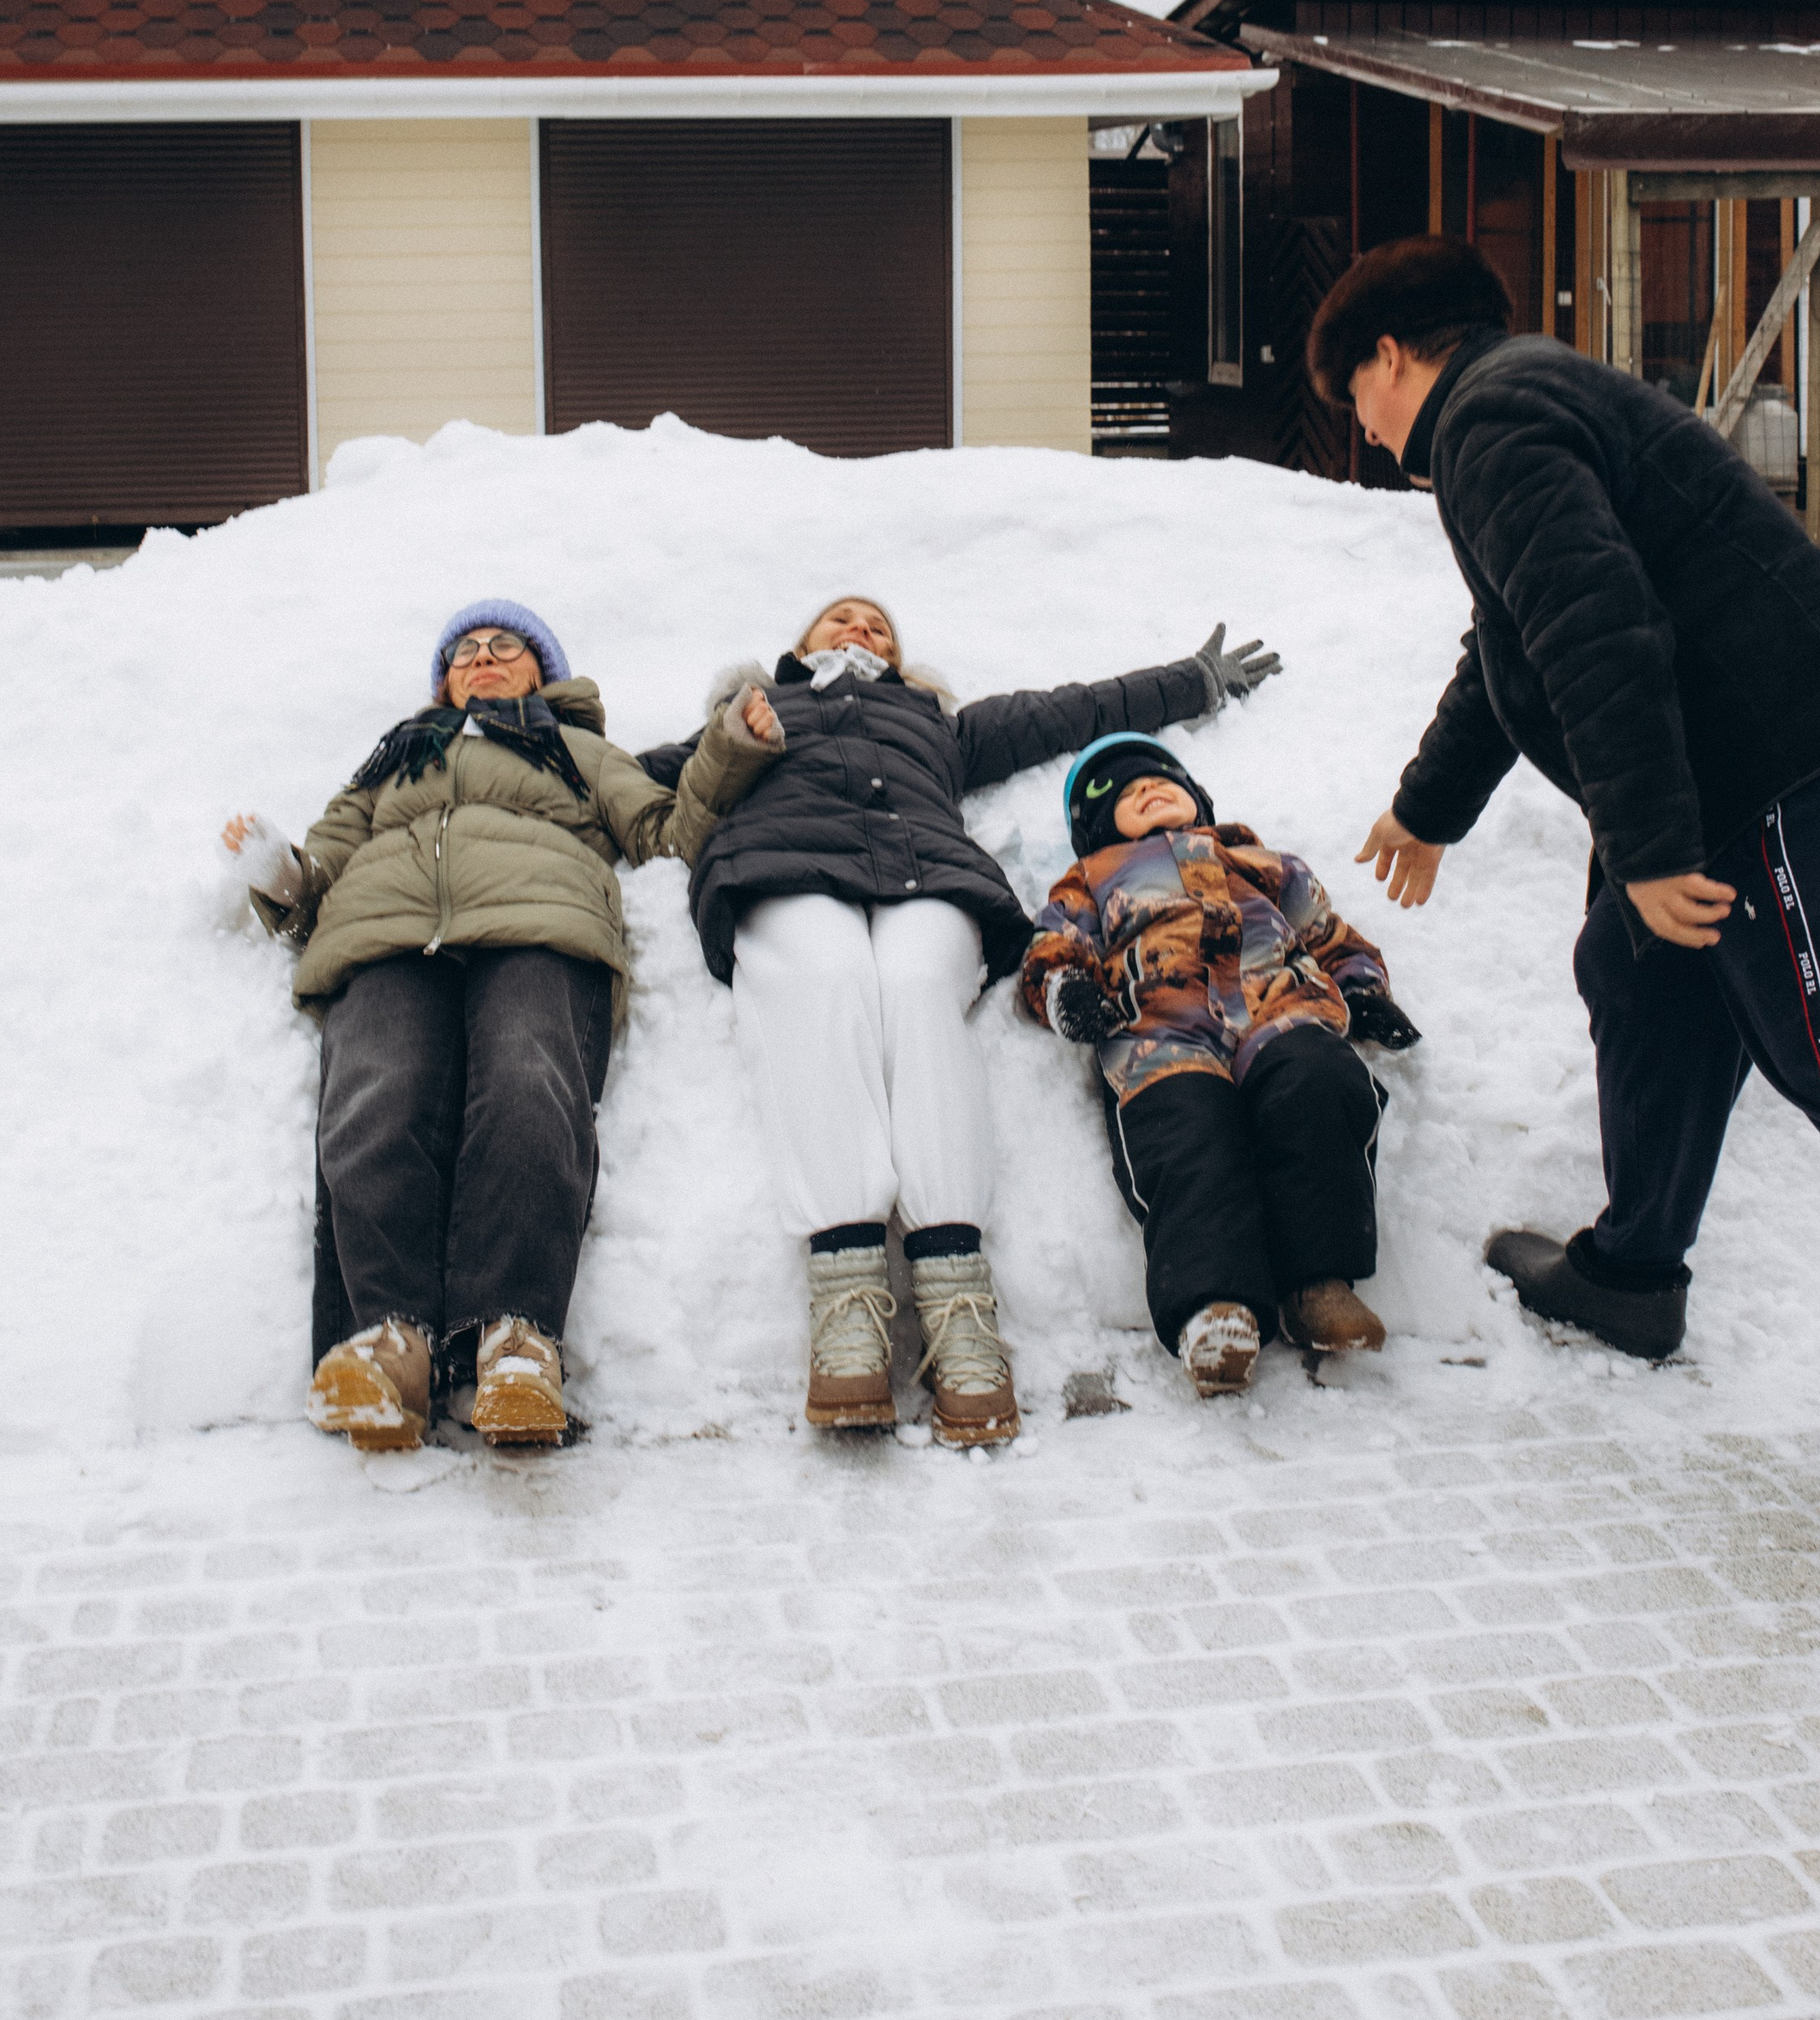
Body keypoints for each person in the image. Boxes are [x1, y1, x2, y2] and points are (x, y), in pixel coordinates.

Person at [1311, 232, 1820, 1543]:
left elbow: (1597, 624)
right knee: (1641, 980)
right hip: (1731, 763)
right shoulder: (1519, 402)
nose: (1364, 427)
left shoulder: (1494, 422)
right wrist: (1430, 803)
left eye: (1355, 395)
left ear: (1391, 356)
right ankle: (1633, 1274)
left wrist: (1650, 848)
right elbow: (1519, 636)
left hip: (1783, 757)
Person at [640, 595, 1280, 1443]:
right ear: (800, 646)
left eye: (879, 629)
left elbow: (1070, 712)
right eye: (842, 621)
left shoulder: (936, 724)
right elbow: (614, 779)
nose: (861, 633)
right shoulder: (753, 713)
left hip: (924, 876)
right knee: (820, 981)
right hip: (778, 868)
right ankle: (846, 1297)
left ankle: (956, 1296)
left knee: (916, 991)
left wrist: (1191, 682)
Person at [225, 597, 779, 1455]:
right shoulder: (392, 758)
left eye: (504, 647)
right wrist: (280, 876)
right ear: (443, 680)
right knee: (375, 1096)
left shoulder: (576, 748)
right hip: (385, 933)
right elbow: (319, 876)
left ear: (540, 672)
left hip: (542, 922)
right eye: (465, 652)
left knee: (527, 1085)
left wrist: (727, 751)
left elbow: (665, 833)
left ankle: (514, 1340)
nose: (482, 659)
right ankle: (389, 1344)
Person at [1021, 733, 1419, 1394]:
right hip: (1162, 1031)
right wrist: (1067, 991)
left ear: (1199, 800)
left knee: (1317, 1084)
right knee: (1186, 1133)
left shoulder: (1262, 863)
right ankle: (1215, 1306)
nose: (1147, 788)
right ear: (1093, 828)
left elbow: (1332, 937)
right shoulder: (1092, 878)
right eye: (1123, 791)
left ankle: (1319, 1283)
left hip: (1279, 1010)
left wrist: (1363, 990)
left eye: (1162, 780)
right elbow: (1053, 947)